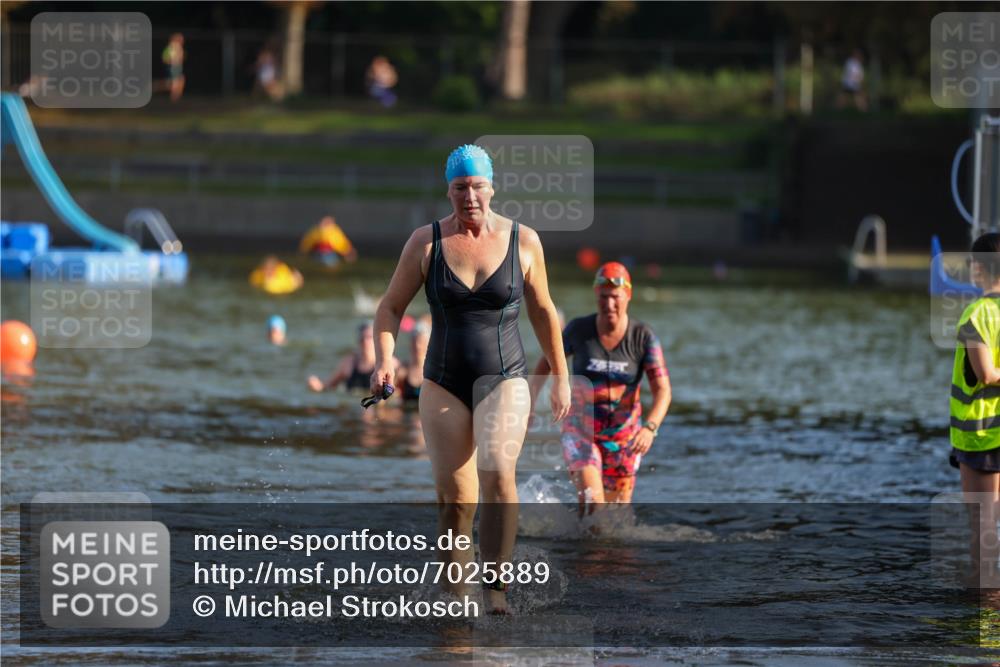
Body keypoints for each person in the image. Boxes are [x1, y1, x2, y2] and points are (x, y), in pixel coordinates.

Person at [370, 144, 570, 614]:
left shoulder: (524, 241)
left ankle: (495, 593)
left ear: (492, 188)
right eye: (460, 187)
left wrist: (560, 375)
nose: (470, 196)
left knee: (498, 471)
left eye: (478, 186)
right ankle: (456, 602)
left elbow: (543, 312)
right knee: (455, 501)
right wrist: (384, 358)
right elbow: (389, 307)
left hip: (505, 377)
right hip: (442, 381)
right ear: (449, 190)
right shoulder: (426, 242)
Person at [530, 262, 671, 515]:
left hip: (624, 438)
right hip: (580, 430)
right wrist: (528, 404)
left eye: (615, 297)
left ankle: (589, 545)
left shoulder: (643, 337)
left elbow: (663, 390)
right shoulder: (579, 330)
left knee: (615, 519)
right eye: (603, 297)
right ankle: (582, 550)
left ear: (628, 296)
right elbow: (546, 364)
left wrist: (650, 428)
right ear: (596, 296)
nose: (609, 304)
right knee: (594, 503)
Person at [949, 233, 1000, 584]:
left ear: (978, 268)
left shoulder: (977, 314)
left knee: (982, 524)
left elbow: (985, 374)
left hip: (981, 434)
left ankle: (986, 607)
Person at [308, 322, 395, 393]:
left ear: (376, 339)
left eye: (369, 337)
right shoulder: (348, 362)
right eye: (362, 338)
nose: (365, 342)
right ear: (358, 341)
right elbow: (329, 385)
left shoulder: (387, 362)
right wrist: (318, 386)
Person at [397, 315, 431, 402]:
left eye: (421, 341)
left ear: (428, 343)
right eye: (414, 341)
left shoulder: (436, 371)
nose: (417, 346)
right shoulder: (402, 371)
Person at [162, 33, 185, 103]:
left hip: (177, 67)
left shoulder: (178, 47)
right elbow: (165, 58)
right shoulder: (171, 47)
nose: (182, 40)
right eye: (180, 38)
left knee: (179, 81)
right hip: (173, 67)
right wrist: (171, 62)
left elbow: (180, 57)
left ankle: (175, 98)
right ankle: (174, 100)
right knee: (175, 83)